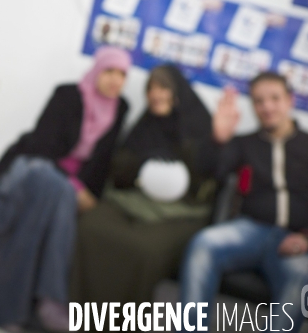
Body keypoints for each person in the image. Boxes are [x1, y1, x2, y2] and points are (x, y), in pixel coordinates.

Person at [0, 46, 131, 332]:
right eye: (110, 71)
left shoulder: (120, 108)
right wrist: (75, 187)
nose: (116, 80)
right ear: (97, 70)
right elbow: (42, 147)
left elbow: (103, 161)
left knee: (55, 193)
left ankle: (23, 305)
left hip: (60, 185)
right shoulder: (68, 95)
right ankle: (50, 299)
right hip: (31, 166)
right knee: (57, 189)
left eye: (123, 74)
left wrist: (90, 193)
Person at [180, 72, 308, 333]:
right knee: (203, 244)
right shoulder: (244, 144)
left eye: (274, 98)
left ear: (290, 100)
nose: (267, 107)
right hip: (249, 229)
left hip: (298, 238)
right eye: (259, 101)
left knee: (299, 277)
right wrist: (218, 139)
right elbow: (210, 171)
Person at [70, 65, 218, 307]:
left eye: (163, 88)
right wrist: (142, 164)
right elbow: (119, 169)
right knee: (90, 227)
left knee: (145, 250)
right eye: (151, 88)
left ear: (178, 92)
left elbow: (206, 179)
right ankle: (80, 314)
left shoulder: (199, 126)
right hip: (132, 200)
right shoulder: (144, 125)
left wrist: (211, 144)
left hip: (179, 213)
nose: (155, 94)